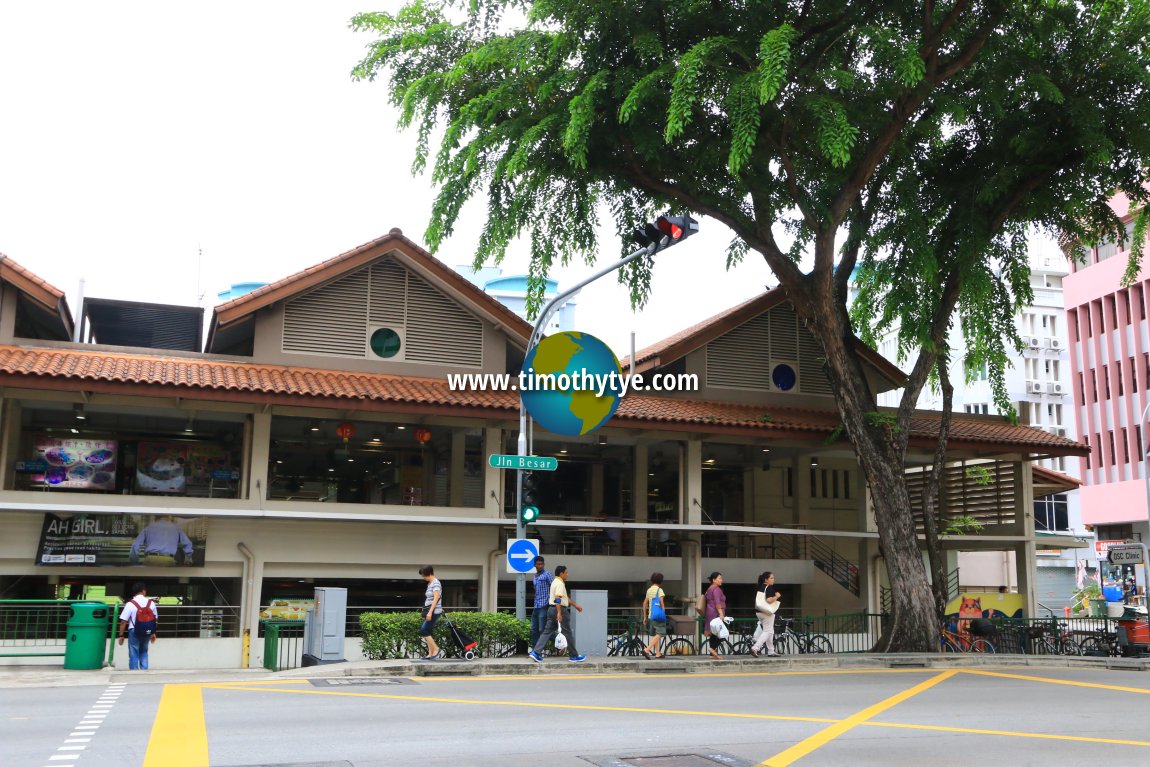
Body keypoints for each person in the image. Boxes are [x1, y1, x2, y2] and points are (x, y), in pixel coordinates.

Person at [528, 565, 586, 662]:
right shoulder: (560, 583)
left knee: (546, 632)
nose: (567, 574)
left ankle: (536, 652)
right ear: (561, 573)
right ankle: (574, 655)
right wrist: (559, 613)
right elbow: (558, 599)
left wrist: (575, 605)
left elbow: (564, 598)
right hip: (560, 610)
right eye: (566, 573)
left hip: (551, 609)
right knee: (567, 633)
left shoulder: (554, 582)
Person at [117, 582, 157, 670]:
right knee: (144, 651)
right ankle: (144, 671)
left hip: (134, 631)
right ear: (143, 591)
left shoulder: (130, 604)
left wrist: (121, 635)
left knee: (133, 652)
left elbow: (123, 621)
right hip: (147, 631)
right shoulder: (151, 603)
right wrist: (153, 633)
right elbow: (155, 619)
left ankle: (134, 673)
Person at [130, 515, 194, 566]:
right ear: (169, 517)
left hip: (150, 559)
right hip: (168, 560)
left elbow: (135, 545)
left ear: (155, 517)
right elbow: (188, 544)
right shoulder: (176, 528)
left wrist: (134, 563)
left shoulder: (148, 527)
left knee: (149, 581)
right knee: (164, 582)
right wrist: (188, 559)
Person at [750, 571, 781, 657]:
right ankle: (755, 648)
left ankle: (771, 651)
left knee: (769, 631)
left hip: (759, 612)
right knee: (768, 631)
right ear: (766, 579)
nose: (773, 579)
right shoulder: (769, 587)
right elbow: (769, 600)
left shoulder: (760, 587)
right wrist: (777, 596)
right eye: (771, 578)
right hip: (767, 612)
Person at [418, 565, 444, 660]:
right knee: (428, 631)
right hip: (431, 611)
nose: (423, 578)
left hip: (434, 612)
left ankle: (436, 649)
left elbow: (436, 598)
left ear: (428, 574)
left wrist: (430, 612)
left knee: (424, 630)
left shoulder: (436, 583)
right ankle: (430, 653)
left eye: (424, 575)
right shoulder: (430, 583)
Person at [530, 556, 554, 650]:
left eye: (542, 564)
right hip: (536, 606)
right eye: (538, 564)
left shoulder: (547, 574)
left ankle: (561, 642)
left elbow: (554, 587)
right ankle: (535, 651)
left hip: (544, 606)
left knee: (542, 630)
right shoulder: (535, 576)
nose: (540, 566)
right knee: (533, 629)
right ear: (535, 565)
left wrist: (550, 603)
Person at [642, 572, 668, 658]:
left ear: (652, 580)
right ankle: (647, 649)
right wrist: (663, 614)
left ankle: (658, 653)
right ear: (661, 581)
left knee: (656, 634)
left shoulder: (649, 590)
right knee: (661, 633)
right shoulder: (660, 590)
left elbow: (644, 604)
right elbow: (661, 603)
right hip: (658, 616)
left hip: (651, 616)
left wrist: (645, 617)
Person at [703, 571, 727, 660]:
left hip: (710, 613)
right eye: (719, 578)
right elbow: (717, 603)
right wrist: (721, 614)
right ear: (714, 580)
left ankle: (712, 653)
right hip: (716, 613)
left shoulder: (709, 589)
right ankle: (712, 649)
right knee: (723, 632)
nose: (722, 580)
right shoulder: (716, 589)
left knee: (714, 633)